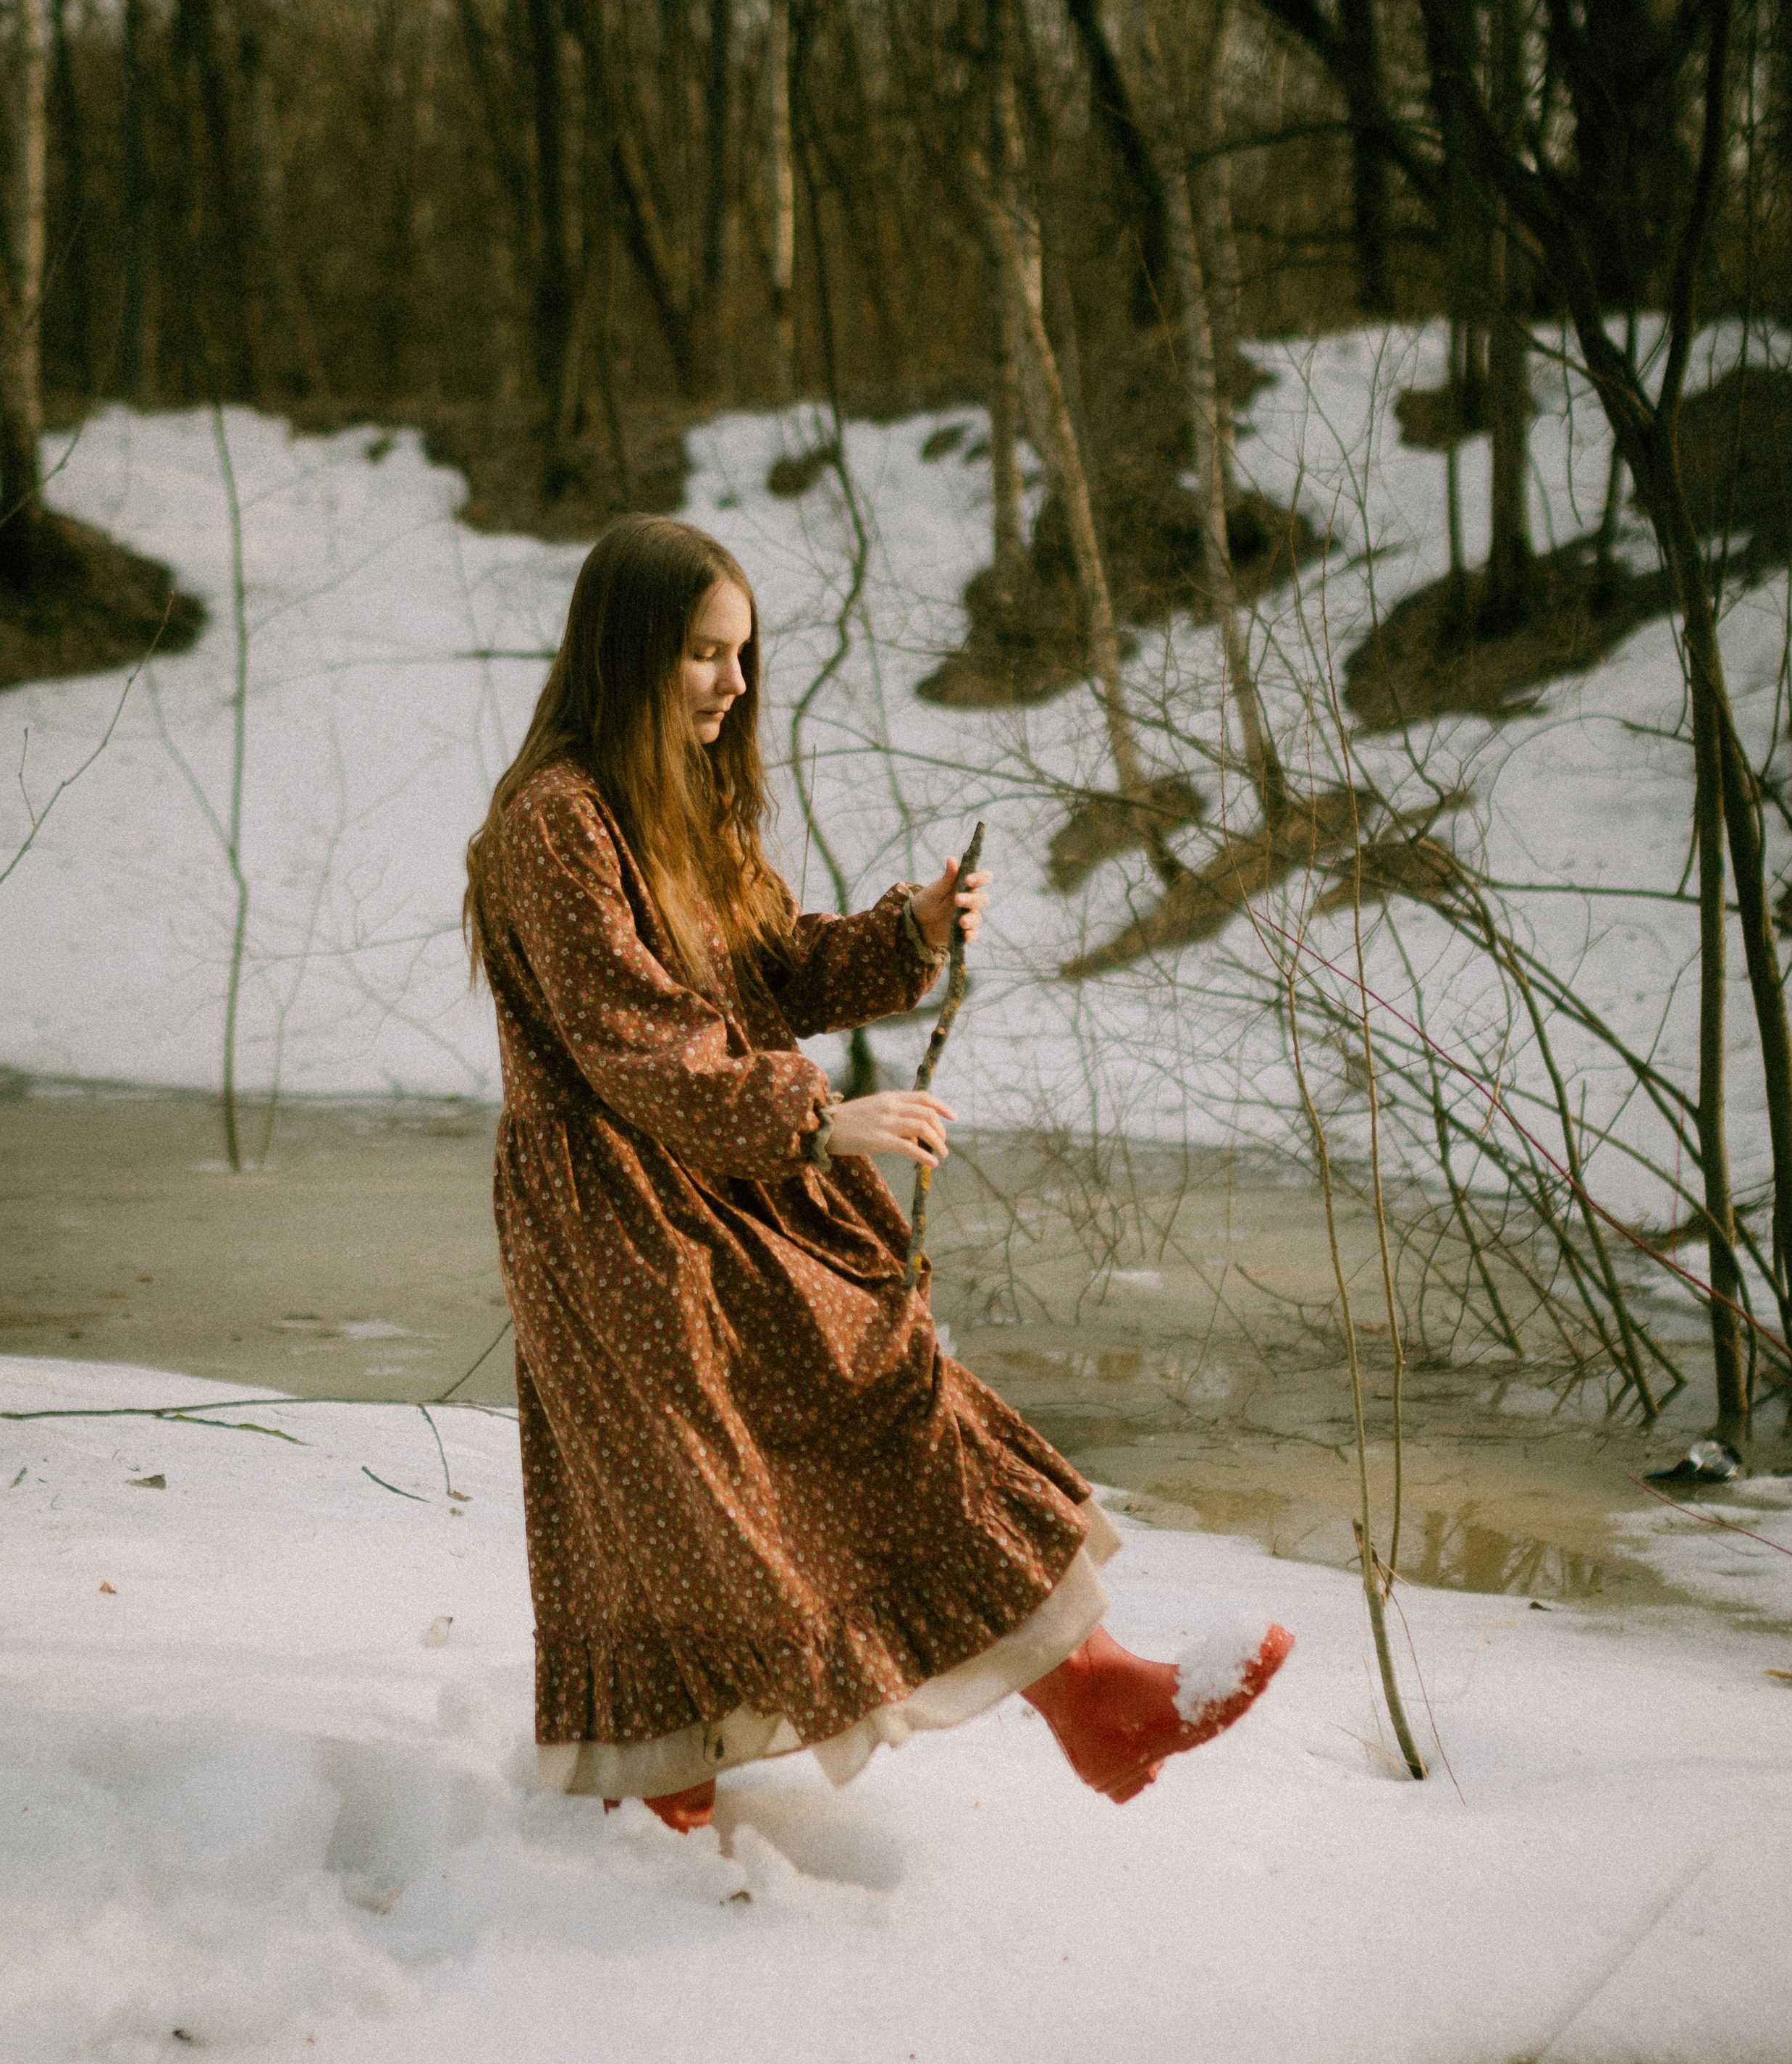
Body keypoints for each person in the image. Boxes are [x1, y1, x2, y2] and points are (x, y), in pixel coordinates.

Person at [463, 514, 1291, 1834]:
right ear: (626, 654)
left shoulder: (674, 803)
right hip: (620, 1214)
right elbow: (633, 1039)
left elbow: (766, 967)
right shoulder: (553, 823)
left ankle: (1096, 1698)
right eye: (701, 656)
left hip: (716, 1179)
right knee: (679, 1516)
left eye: (741, 656)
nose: (733, 687)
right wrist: (815, 1122)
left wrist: (900, 932)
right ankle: (649, 1825)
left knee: (881, 1398)